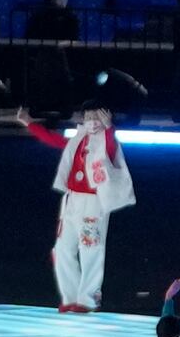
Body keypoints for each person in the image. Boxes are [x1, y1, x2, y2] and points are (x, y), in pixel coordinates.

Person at [18, 102, 132, 309]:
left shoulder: (107, 140)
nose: (92, 122)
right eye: (89, 117)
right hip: (72, 200)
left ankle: (88, 298)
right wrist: (29, 123)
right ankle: (70, 296)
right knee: (62, 249)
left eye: (97, 117)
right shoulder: (77, 140)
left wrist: (109, 128)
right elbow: (53, 140)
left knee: (91, 248)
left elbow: (110, 148)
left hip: (93, 201)